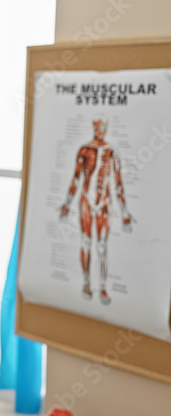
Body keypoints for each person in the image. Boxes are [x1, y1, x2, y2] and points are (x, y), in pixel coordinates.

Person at [59, 116, 133, 305]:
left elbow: (118, 183)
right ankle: (86, 283)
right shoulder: (84, 150)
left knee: (101, 247)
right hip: (86, 202)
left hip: (104, 204)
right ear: (94, 128)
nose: (101, 130)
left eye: (104, 127)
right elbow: (76, 179)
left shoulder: (112, 152)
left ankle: (102, 287)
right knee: (86, 243)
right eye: (98, 127)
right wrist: (67, 202)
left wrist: (124, 211)